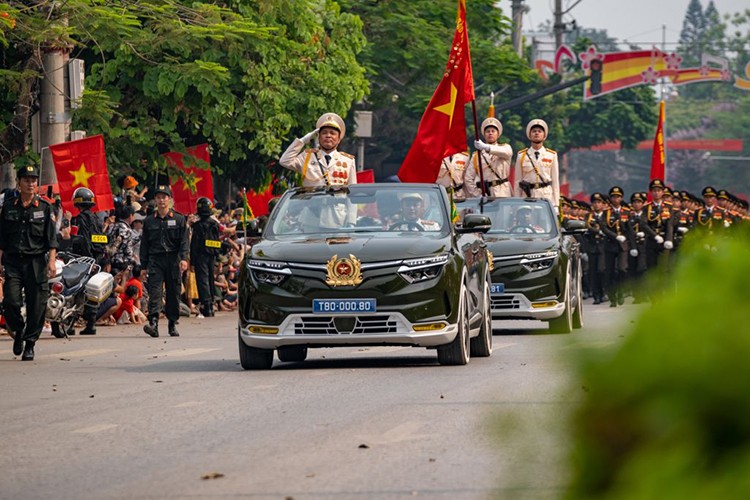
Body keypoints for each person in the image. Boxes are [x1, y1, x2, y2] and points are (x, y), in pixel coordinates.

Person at [0, 164, 58, 361]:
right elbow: (2, 239)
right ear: (19, 183)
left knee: (37, 305)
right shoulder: (8, 207)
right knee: (10, 301)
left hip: (36, 263)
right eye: (27, 180)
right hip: (13, 262)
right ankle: (17, 332)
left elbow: (51, 240)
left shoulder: (45, 207)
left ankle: (30, 342)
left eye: (34, 180)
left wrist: (51, 262)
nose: (31, 183)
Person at [139, 185, 189, 337]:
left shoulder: (179, 219)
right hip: (156, 260)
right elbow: (144, 245)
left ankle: (172, 323)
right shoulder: (149, 221)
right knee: (155, 291)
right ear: (155, 200)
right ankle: (153, 323)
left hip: (173, 260)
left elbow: (184, 241)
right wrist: (144, 265)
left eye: (164, 197)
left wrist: (184, 258)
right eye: (159, 197)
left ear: (169, 200)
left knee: (173, 292)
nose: (161, 200)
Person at [279, 112, 357, 187]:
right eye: (324, 133)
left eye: (332, 133)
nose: (328, 136)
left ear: (339, 139)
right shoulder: (307, 157)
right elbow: (284, 161)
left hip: (338, 201)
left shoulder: (348, 161)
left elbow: (352, 190)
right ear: (318, 137)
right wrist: (303, 141)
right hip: (312, 200)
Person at [514, 119, 560, 212]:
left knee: (545, 226)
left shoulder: (551, 155)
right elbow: (517, 181)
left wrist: (556, 204)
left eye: (540, 131)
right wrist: (516, 202)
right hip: (527, 197)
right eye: (534, 131)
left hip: (546, 196)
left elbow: (555, 182)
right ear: (529, 135)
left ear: (544, 136)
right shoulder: (521, 155)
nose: (537, 133)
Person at [466, 118, 513, 198]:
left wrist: (486, 147)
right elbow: (468, 178)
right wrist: (477, 194)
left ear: (498, 134)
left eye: (493, 131)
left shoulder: (505, 148)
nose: (490, 133)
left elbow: (506, 153)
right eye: (487, 131)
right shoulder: (476, 156)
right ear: (484, 134)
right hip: (485, 193)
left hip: (503, 192)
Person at [190, 197, 221, 317]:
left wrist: (192, 261)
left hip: (200, 255)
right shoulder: (214, 224)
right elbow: (217, 242)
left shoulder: (198, 226)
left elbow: (194, 244)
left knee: (203, 280)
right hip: (211, 255)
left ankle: (206, 305)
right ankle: (210, 304)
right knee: (210, 279)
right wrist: (217, 257)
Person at [71, 187, 107, 262]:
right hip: (99, 256)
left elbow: (84, 239)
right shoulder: (96, 218)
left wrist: (88, 259)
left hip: (86, 258)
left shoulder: (81, 218)